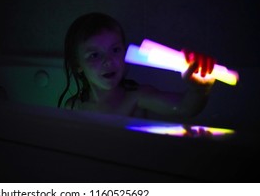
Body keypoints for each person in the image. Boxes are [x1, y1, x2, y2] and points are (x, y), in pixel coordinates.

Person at [57, 12, 216, 118]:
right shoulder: (73, 107)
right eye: (94, 55)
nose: (109, 60)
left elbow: (185, 108)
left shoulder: (136, 97)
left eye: (115, 49)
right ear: (78, 65)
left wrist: (199, 89)